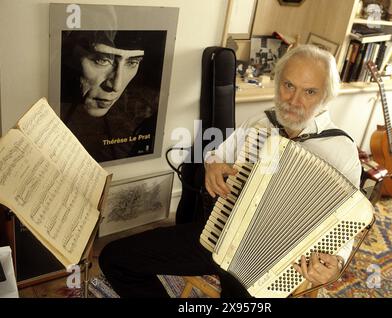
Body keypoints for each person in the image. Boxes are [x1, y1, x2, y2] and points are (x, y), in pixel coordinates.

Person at [98, 44, 361, 297]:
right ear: (278, 81)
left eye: (310, 92)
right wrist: (212, 164)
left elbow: (346, 223)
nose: (294, 100)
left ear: (325, 96)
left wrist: (336, 263)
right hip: (220, 235)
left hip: (273, 262)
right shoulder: (261, 123)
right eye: (288, 85)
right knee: (115, 259)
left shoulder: (339, 149)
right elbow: (219, 154)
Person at [60, 30, 164, 162]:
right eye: (101, 60)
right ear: (69, 56)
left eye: (132, 63)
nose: (116, 86)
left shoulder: (130, 123)